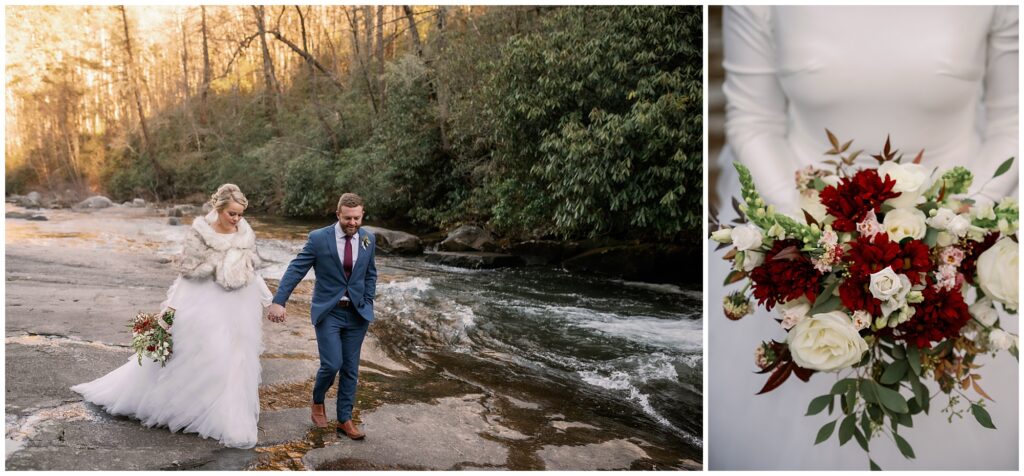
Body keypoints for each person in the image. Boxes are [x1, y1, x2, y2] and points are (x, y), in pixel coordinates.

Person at [709, 6, 1018, 470]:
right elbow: (755, 121)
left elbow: (1014, 122)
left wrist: (949, 232)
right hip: (802, 216)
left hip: (960, 217)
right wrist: (813, 244)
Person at [72, 184, 276, 449]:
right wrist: (170, 310)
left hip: (238, 303)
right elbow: (187, 274)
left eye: (240, 214)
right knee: (209, 353)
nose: (237, 219)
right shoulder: (201, 234)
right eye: (232, 214)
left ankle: (226, 417)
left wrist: (269, 300)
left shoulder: (244, 233)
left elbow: (252, 268)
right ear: (219, 209)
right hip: (205, 301)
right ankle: (188, 409)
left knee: (235, 358)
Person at [267, 192, 377, 440]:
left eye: (357, 218)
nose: (352, 223)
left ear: (362, 215)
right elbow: (297, 269)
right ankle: (318, 400)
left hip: (358, 313)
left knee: (350, 369)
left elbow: (370, 274)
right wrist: (279, 300)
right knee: (331, 364)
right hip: (329, 312)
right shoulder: (319, 238)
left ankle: (344, 420)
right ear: (338, 214)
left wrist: (368, 300)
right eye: (348, 218)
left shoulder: (368, 239)